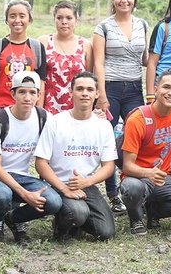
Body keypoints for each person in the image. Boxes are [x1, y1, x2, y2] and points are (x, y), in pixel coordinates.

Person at [35, 72, 117, 241]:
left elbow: (109, 166)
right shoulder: (56, 122)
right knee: (78, 212)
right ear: (71, 92)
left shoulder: (104, 126)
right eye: (79, 89)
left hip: (86, 184)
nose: (84, 93)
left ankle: (75, 220)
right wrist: (64, 189)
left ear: (97, 94)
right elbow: (41, 163)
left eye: (89, 89)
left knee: (106, 232)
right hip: (59, 184)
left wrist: (87, 182)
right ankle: (63, 225)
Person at [0, 71, 61, 243]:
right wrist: (25, 194)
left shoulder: (44, 117)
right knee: (3, 193)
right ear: (12, 94)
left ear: (39, 95)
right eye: (22, 92)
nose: (27, 97)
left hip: (22, 175)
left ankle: (14, 218)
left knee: (53, 202)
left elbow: (67, 130)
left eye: (32, 92)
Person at [120, 68, 171, 235]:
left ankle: (154, 211)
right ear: (155, 89)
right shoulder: (138, 119)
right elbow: (127, 166)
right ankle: (136, 218)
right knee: (131, 188)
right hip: (137, 177)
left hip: (163, 179)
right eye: (166, 87)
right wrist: (148, 173)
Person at [93, 0, 148, 214]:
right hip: (111, 89)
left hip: (135, 88)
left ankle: (138, 188)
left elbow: (145, 59)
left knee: (138, 136)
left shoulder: (142, 24)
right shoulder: (103, 27)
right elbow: (98, 63)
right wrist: (102, 95)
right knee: (107, 139)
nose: (124, 0)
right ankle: (113, 193)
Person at [0, 0, 46, 114]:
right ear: (7, 20)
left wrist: (38, 111)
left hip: (27, 110)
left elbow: (41, 82)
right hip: (0, 109)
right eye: (12, 16)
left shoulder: (37, 47)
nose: (17, 20)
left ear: (29, 20)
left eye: (22, 16)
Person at [38, 0, 93, 115]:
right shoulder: (44, 42)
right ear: (54, 20)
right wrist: (39, 111)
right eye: (59, 18)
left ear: (76, 21)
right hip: (48, 107)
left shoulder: (85, 45)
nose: (64, 22)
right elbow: (39, 79)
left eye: (69, 18)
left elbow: (90, 81)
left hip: (76, 108)